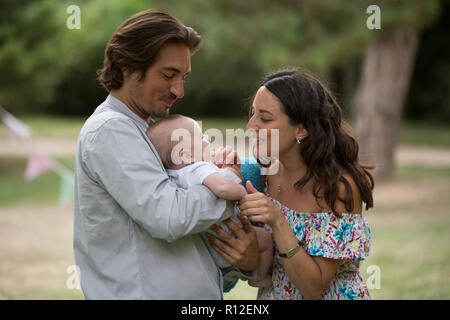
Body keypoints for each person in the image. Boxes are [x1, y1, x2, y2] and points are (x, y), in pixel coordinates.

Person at [73, 9, 259, 300]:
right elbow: (169, 217)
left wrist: (243, 259)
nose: (179, 90)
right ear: (126, 67)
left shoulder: (146, 129)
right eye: (169, 75)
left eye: (183, 76)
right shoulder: (110, 129)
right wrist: (228, 180)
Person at [215, 69, 375, 299]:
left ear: (301, 129)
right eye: (252, 114)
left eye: (265, 118)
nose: (251, 126)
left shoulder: (336, 188)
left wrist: (278, 220)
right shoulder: (260, 175)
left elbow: (313, 287)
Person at [146, 114, 274, 288]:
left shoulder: (171, 178)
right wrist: (240, 189)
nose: (207, 138)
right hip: (232, 238)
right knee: (265, 238)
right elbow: (223, 187)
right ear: (186, 155)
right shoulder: (199, 168)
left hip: (208, 250)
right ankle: (258, 278)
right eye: (201, 137)